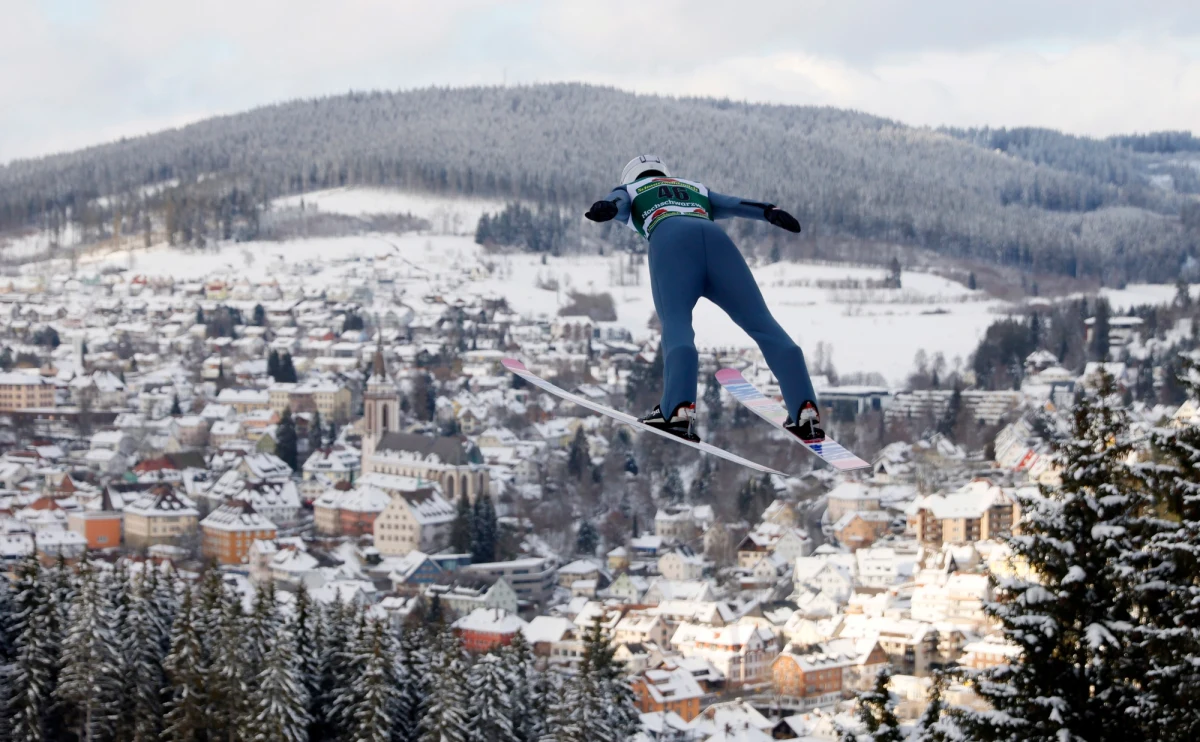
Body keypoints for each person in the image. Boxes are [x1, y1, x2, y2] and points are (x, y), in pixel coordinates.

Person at [585, 154, 823, 443]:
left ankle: (678, 410)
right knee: (763, 323)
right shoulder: (694, 188)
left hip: (670, 240)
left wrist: (607, 206)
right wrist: (770, 211)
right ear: (665, 172)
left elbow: (615, 204)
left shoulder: (631, 190)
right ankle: (805, 410)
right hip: (717, 242)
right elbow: (737, 205)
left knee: (677, 324)